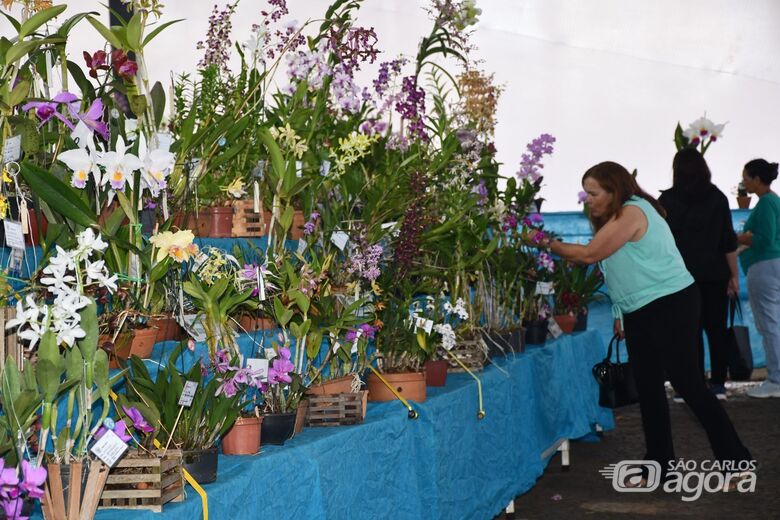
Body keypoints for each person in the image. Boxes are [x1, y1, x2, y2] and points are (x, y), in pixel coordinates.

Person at [529, 161, 751, 479]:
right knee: (647, 386)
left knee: (689, 385)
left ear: (613, 190)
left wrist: (543, 242)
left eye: (593, 193)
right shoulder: (615, 217)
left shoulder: (633, 211)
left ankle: (736, 460)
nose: (586, 200)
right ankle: (659, 462)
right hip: (639, 308)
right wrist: (620, 312)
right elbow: (617, 268)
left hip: (670, 303)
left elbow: (589, 255)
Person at [658, 148, 738, 401]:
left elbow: (661, 244)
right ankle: (718, 384)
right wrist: (734, 275)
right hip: (715, 274)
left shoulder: (667, 201)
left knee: (687, 332)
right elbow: (728, 241)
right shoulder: (718, 198)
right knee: (717, 329)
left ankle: (691, 386)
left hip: (680, 278)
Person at [736, 159, 780, 398]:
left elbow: (764, 238)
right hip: (773, 264)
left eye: (745, 177)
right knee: (773, 323)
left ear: (756, 178)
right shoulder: (773, 201)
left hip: (764, 265)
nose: (743, 181)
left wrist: (738, 238)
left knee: (768, 324)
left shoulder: (765, 204)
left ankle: (776, 378)